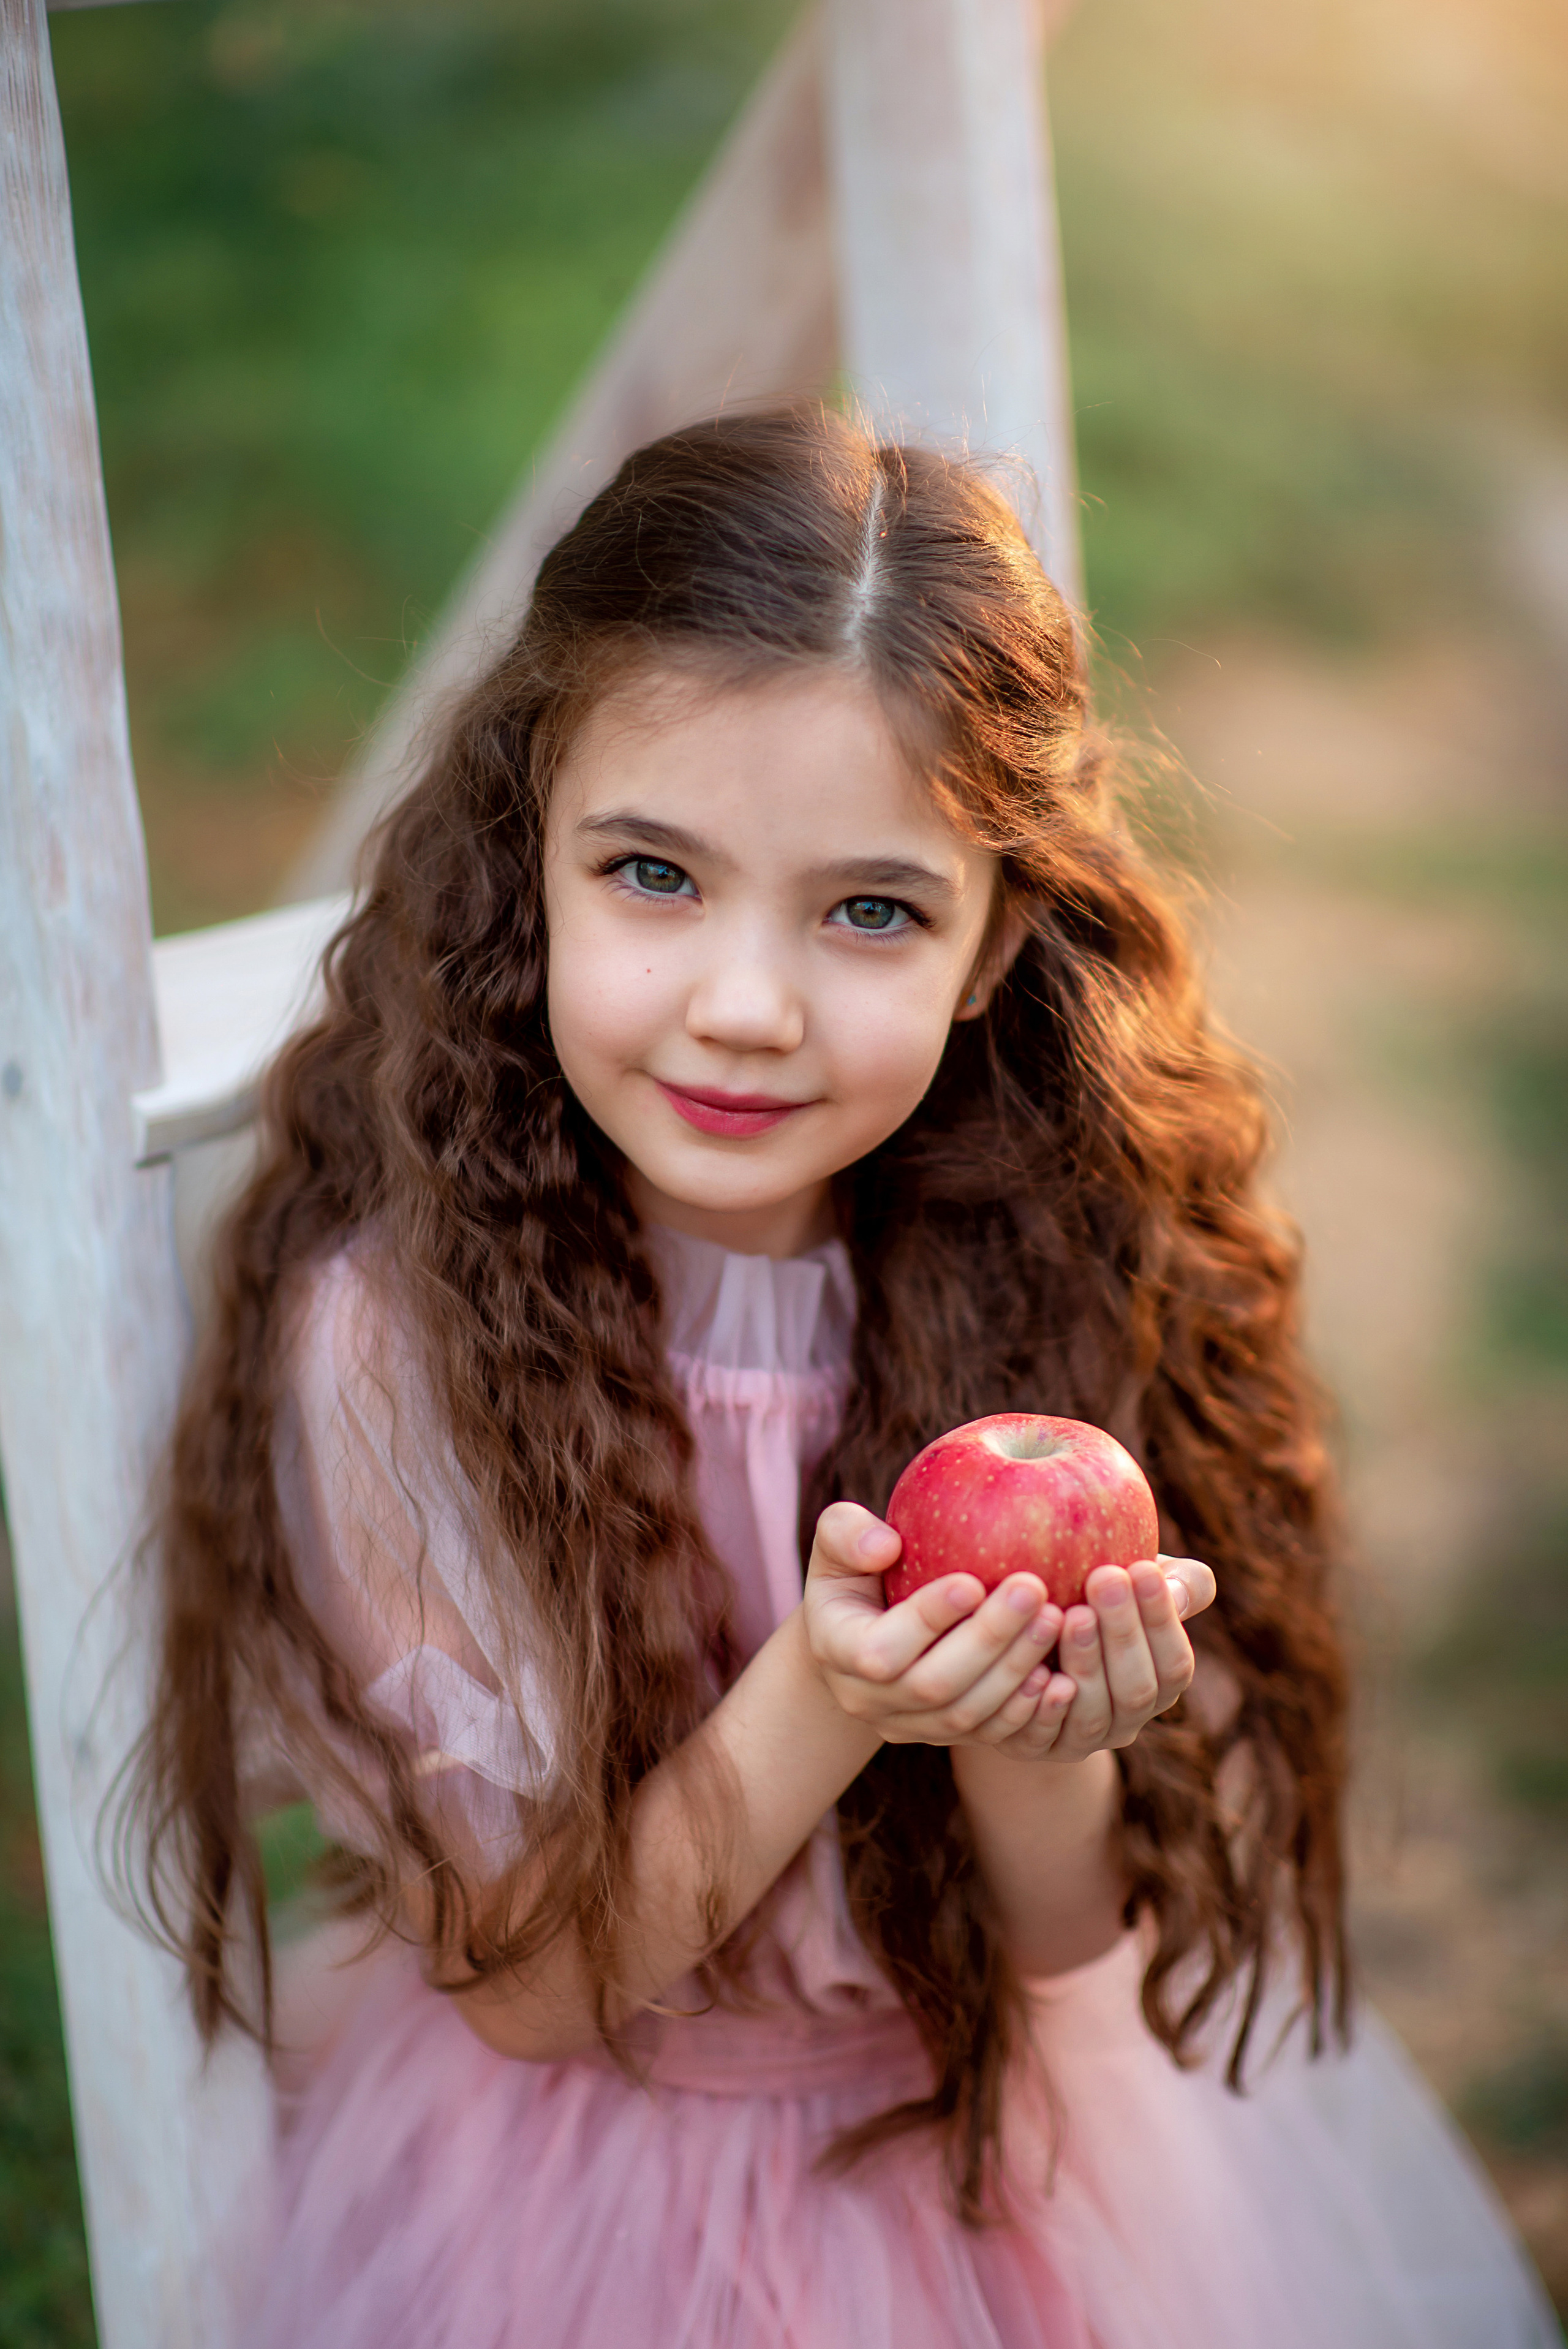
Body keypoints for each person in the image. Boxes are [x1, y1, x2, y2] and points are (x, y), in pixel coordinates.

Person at [134, 407, 1559, 2347]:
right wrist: (816, 1695)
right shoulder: (409, 1339)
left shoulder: (1042, 1263)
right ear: (529, 848)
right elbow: (538, 1989)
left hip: (984, 2130)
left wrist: (1024, 1743)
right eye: (653, 873)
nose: (747, 1000)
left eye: (870, 909)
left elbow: (1062, 1940)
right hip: (578, 2194)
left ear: (989, 952)